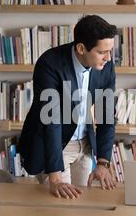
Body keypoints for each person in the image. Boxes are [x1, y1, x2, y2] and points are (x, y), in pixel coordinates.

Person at [18, 15, 117, 199]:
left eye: (110, 50)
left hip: (85, 144)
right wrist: (54, 176)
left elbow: (106, 114)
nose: (108, 58)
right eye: (102, 52)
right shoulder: (49, 64)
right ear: (81, 48)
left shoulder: (106, 66)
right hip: (57, 145)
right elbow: (51, 120)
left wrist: (103, 163)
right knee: (59, 211)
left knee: (80, 208)